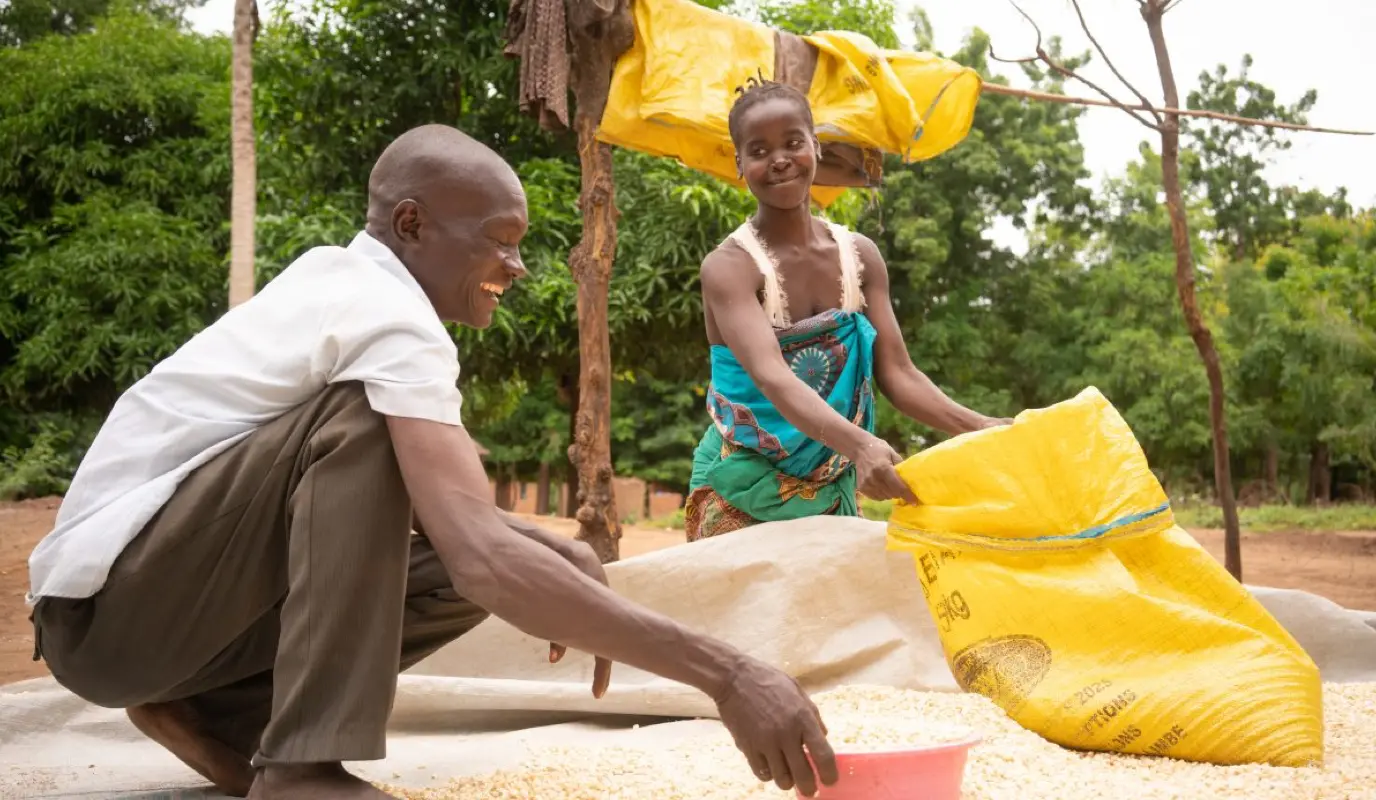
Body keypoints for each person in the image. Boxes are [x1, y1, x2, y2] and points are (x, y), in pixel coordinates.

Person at [26, 124, 838, 799]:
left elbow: (453, 541)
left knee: (481, 549)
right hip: (109, 621)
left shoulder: (344, 284)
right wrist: (727, 675)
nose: (517, 271)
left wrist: (531, 540)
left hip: (143, 628)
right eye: (500, 244)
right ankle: (301, 766)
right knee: (386, 444)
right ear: (410, 225)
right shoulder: (389, 316)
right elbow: (480, 557)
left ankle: (207, 713)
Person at [686, 78, 1011, 542]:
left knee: (827, 614)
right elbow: (771, 375)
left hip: (828, 478)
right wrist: (862, 446)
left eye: (793, 142)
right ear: (739, 164)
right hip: (740, 482)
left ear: (816, 147)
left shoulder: (859, 256)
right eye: (758, 150)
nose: (779, 159)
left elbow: (898, 373)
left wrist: (980, 427)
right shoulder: (729, 267)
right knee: (739, 614)